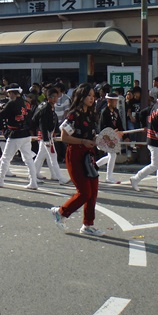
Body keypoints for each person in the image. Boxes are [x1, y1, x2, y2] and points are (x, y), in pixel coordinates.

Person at [49, 83, 105, 236]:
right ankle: (60, 212)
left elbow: (91, 135)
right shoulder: (74, 114)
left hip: (89, 154)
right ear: (81, 97)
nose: (92, 99)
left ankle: (88, 225)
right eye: (89, 96)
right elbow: (64, 137)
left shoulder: (92, 113)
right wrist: (83, 141)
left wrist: (100, 139)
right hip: (75, 154)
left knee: (93, 191)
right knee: (84, 192)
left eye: (93, 96)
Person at [0, 84, 39, 190]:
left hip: (15, 134)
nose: (8, 95)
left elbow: (1, 115)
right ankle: (33, 182)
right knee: (28, 159)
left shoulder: (12, 103)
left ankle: (0, 179)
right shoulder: (25, 103)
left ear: (12, 93)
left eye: (9, 93)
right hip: (26, 134)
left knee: (6, 158)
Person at [32, 88, 71, 185]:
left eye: (56, 97)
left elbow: (53, 120)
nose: (55, 99)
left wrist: (56, 131)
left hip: (48, 135)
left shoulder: (48, 106)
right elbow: (43, 124)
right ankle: (60, 178)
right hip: (46, 135)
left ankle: (33, 174)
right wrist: (46, 139)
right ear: (48, 97)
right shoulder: (46, 108)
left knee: (40, 157)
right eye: (53, 97)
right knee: (53, 156)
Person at [96, 91, 124, 184]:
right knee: (112, 155)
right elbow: (102, 126)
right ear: (109, 101)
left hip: (113, 136)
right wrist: (112, 132)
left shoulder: (116, 111)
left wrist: (124, 134)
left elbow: (119, 123)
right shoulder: (105, 112)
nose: (116, 102)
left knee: (110, 156)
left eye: (116, 101)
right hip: (106, 136)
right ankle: (109, 177)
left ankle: (94, 166)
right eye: (114, 101)